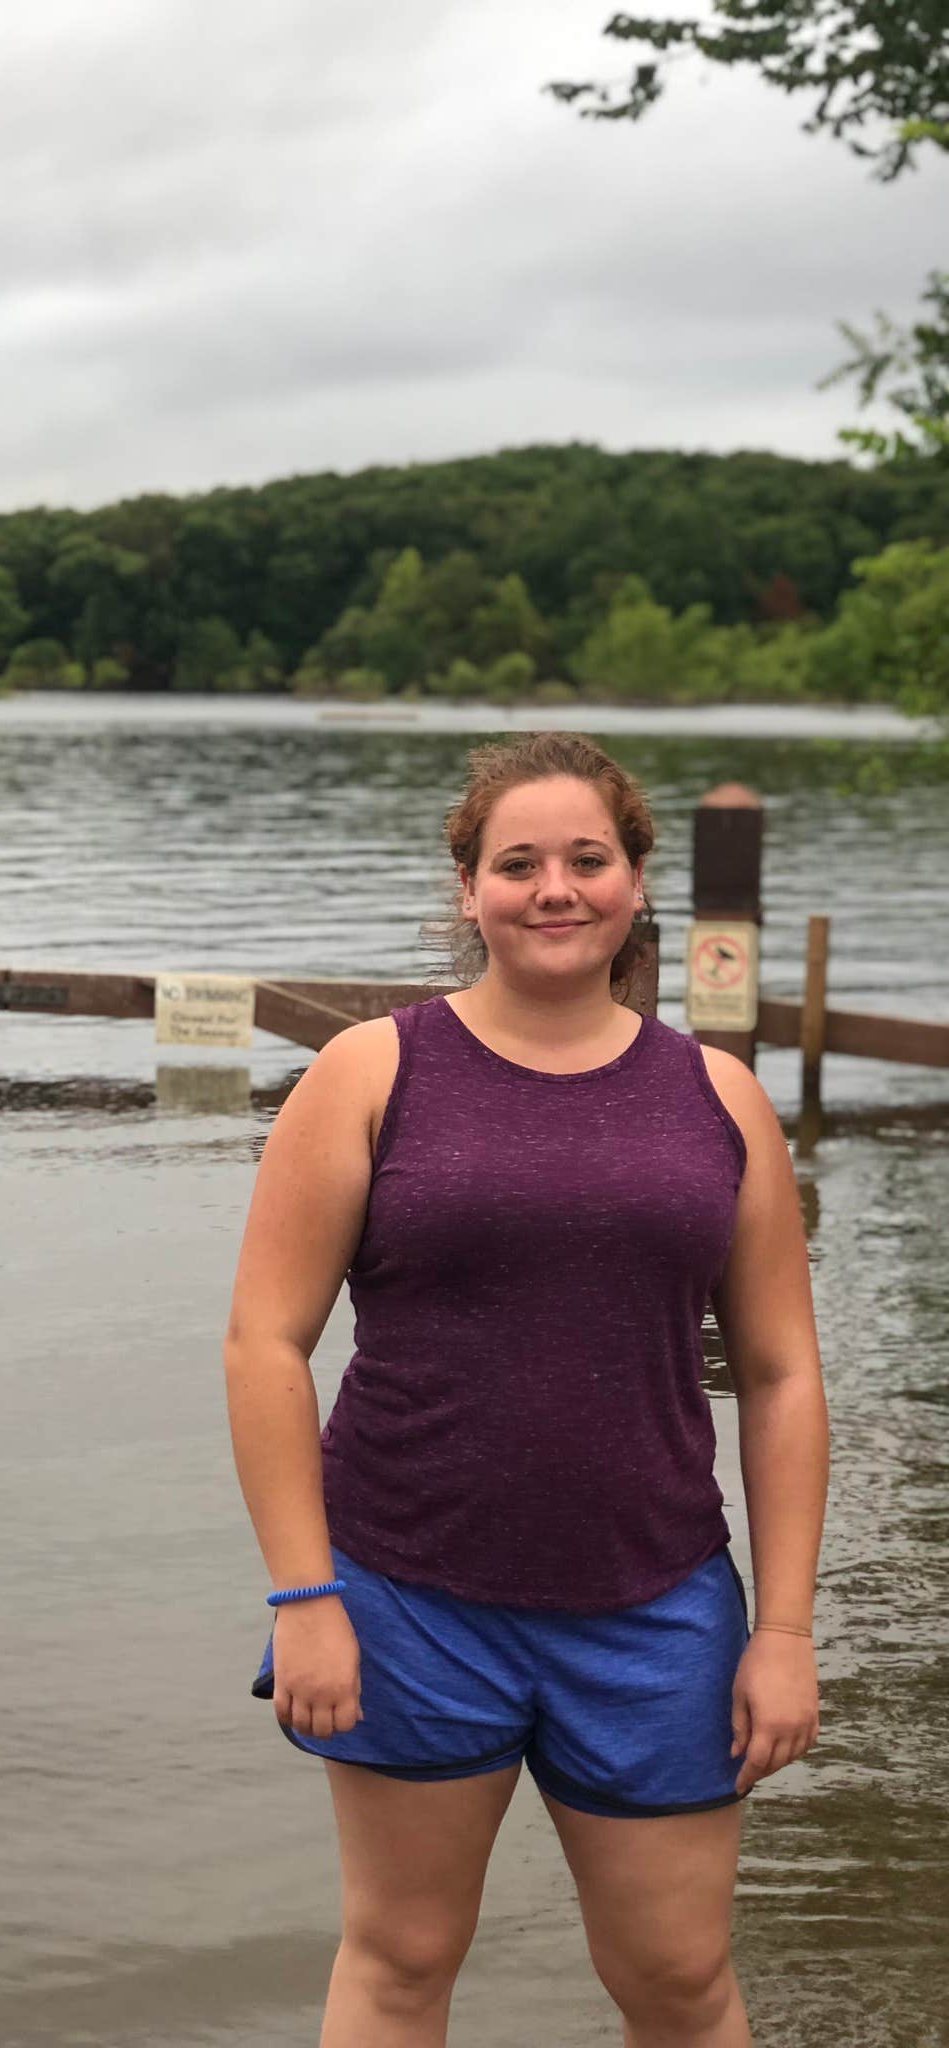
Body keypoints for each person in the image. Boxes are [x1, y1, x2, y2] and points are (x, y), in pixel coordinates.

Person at [222, 731, 827, 2048]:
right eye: (518, 863)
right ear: (469, 891)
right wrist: (305, 1595)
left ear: (634, 879)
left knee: (675, 1976)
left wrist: (782, 1631)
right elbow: (265, 1343)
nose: (555, 888)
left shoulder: (718, 1099)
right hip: (406, 1594)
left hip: (657, 1608)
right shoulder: (372, 1074)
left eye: (586, 859)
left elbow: (780, 1376)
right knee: (401, 1956)